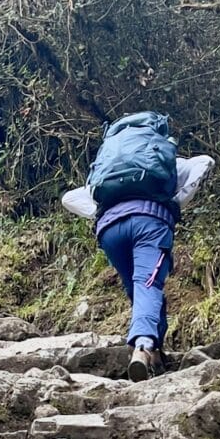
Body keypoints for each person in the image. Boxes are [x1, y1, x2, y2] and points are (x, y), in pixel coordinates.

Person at [86, 111, 181, 382]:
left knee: (138, 288)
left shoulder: (109, 156)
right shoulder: (161, 150)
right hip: (149, 223)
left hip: (109, 230)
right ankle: (142, 347)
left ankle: (156, 352)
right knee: (147, 284)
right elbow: (195, 173)